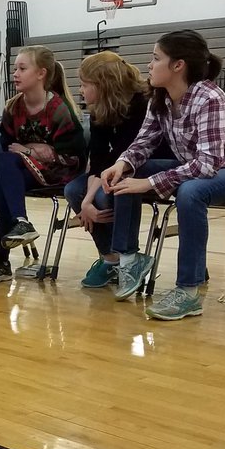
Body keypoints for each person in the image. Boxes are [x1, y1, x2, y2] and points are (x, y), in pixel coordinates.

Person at [101, 29, 225, 321]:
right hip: (198, 168)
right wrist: (123, 163)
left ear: (178, 65)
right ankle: (130, 259)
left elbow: (207, 165)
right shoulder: (160, 97)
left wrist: (150, 182)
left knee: (190, 192)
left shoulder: (209, 98)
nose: (149, 65)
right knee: (129, 174)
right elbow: (144, 142)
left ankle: (188, 292)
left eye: (156, 59)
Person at [0, 45, 86, 285]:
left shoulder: (59, 110)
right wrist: (35, 151)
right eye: (15, 68)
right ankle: (19, 227)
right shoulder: (13, 107)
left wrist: (28, 150)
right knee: (1, 175)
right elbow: (7, 146)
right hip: (24, 169)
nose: (15, 73)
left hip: (61, 172)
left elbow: (73, 157)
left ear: (41, 74)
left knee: (4, 173)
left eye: (22, 68)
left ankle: (2, 257)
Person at [64, 51, 152, 289]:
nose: (80, 91)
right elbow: (100, 158)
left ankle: (126, 257)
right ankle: (110, 258)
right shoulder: (98, 110)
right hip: (111, 170)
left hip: (139, 168)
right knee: (73, 191)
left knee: (102, 195)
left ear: (104, 84)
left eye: (84, 85)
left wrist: (90, 199)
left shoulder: (140, 105)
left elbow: (124, 156)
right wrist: (85, 203)